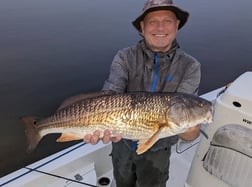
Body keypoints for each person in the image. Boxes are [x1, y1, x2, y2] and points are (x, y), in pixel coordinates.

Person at [84, 0, 201, 186]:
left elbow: (187, 127)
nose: (160, 27)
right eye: (153, 21)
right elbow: (109, 96)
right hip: (121, 141)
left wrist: (192, 127)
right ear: (142, 26)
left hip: (159, 149)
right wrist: (94, 123)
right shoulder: (124, 57)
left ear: (177, 25)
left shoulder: (190, 67)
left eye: (167, 21)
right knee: (123, 181)